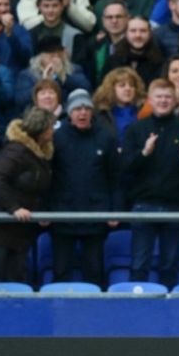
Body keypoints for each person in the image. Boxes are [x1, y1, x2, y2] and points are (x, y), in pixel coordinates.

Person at [122, 78, 179, 285]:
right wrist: (144, 153)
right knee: (139, 265)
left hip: (176, 206)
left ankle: (169, 316)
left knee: (170, 266)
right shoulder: (136, 129)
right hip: (143, 205)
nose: (164, 101)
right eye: (159, 96)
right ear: (150, 99)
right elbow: (124, 168)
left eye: (168, 97)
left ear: (175, 100)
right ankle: (137, 311)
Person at [50, 90, 121, 288]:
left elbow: (115, 177)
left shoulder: (105, 137)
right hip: (63, 215)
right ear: (69, 113)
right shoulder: (57, 138)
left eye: (86, 108)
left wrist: (115, 209)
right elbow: (48, 177)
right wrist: (45, 208)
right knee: (61, 271)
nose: (82, 113)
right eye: (77, 109)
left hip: (95, 215)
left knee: (94, 272)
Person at [0, 107, 55, 283]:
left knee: (17, 279)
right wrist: (14, 208)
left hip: (20, 230)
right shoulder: (16, 151)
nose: (53, 131)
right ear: (41, 129)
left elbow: (38, 188)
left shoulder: (41, 154)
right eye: (50, 127)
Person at [14, 36, 91, 113]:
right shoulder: (28, 74)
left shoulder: (74, 69)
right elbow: (21, 100)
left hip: (67, 114)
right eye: (51, 54)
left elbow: (86, 88)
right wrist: (42, 83)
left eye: (59, 53)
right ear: (41, 56)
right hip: (38, 115)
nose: (56, 57)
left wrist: (64, 77)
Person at [72, 0, 129, 85]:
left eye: (119, 17)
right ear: (103, 21)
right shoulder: (94, 45)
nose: (114, 21)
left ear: (128, 19)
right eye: (109, 17)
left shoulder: (135, 44)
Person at [102, 15, 165, 87]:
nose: (138, 35)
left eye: (143, 31)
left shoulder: (159, 62)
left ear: (150, 33)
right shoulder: (113, 61)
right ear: (126, 33)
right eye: (133, 31)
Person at [92, 66, 146, 148]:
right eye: (122, 85)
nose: (128, 88)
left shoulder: (145, 110)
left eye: (131, 85)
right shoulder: (101, 113)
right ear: (111, 89)